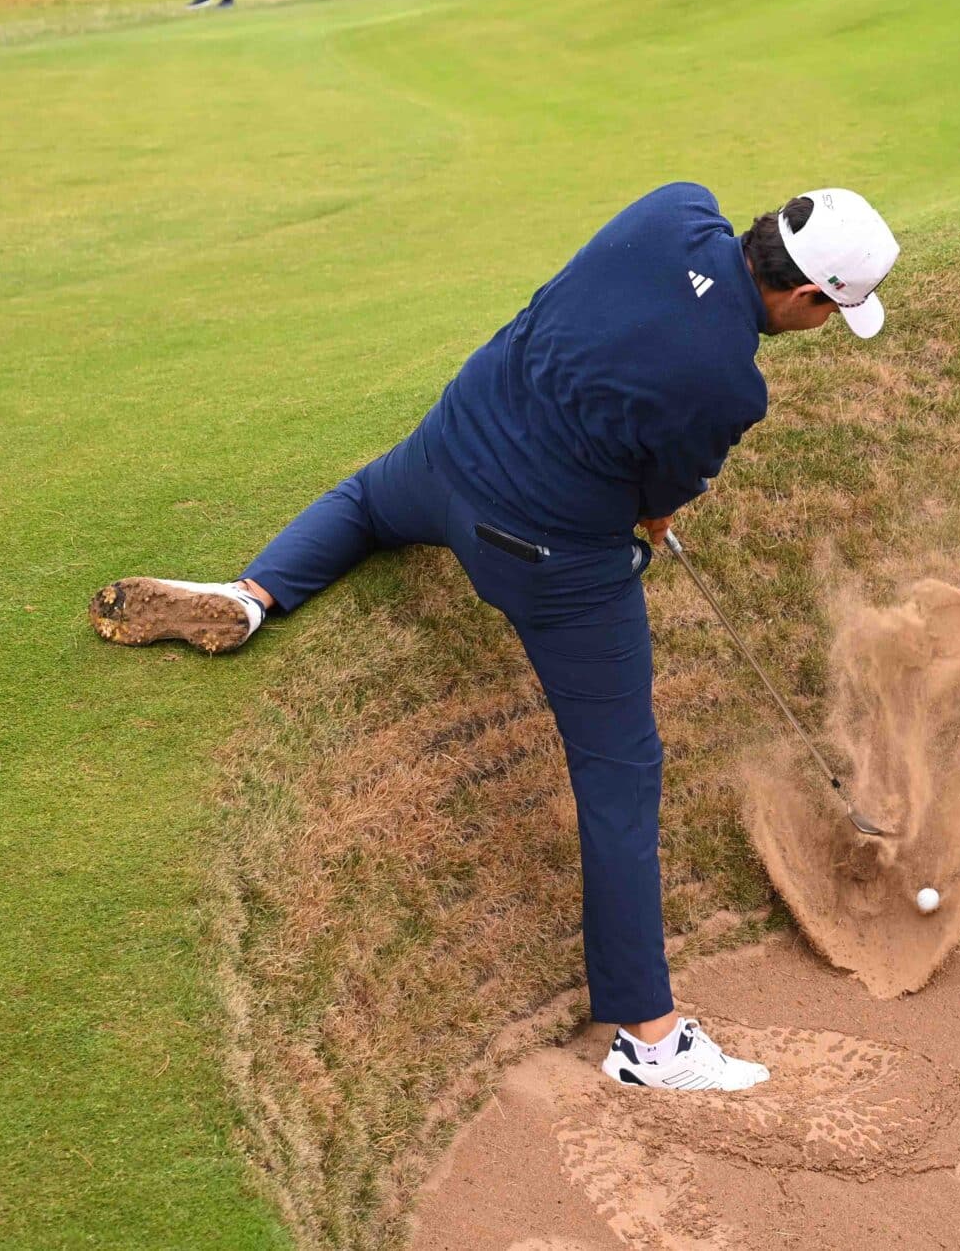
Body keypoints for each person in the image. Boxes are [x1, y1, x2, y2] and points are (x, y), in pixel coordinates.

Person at [88, 185, 901, 1093]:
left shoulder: (672, 211)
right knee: (620, 774)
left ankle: (252, 595)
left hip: (448, 450)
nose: (825, 327)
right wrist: (659, 515)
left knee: (366, 501)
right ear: (807, 295)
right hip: (545, 556)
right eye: (833, 314)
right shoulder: (730, 386)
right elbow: (657, 498)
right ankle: (649, 1038)